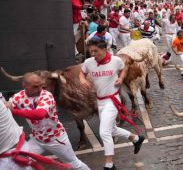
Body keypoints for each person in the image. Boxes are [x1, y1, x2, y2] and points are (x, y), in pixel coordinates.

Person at [79, 39, 145, 170]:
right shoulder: (88, 62)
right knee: (111, 129)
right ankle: (136, 139)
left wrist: (121, 78)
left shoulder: (116, 61)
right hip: (100, 101)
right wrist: (82, 79)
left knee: (104, 132)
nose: (92, 54)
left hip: (112, 100)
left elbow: (124, 68)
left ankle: (109, 165)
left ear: (104, 50)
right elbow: (82, 72)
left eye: (95, 51)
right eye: (90, 51)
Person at [8, 73, 90, 170]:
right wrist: (7, 105)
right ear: (24, 85)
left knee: (74, 164)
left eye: (41, 85)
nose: (39, 89)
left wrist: (14, 110)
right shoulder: (18, 97)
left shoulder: (47, 95)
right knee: (19, 161)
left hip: (56, 139)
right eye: (35, 86)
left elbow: (40, 114)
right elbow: (7, 106)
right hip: (37, 140)